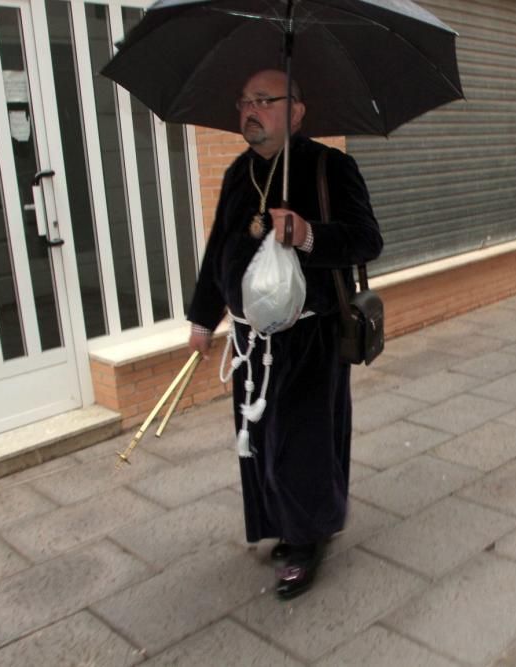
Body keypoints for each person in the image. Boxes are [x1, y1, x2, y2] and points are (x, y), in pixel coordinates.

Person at [187, 69, 383, 600]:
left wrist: (308, 233)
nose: (250, 110)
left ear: (296, 111)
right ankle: (282, 523)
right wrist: (204, 318)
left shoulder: (330, 167)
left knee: (303, 443)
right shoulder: (236, 173)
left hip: (310, 338)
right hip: (251, 341)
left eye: (263, 100)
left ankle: (307, 539)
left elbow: (368, 239)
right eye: (244, 101)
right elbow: (217, 252)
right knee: (261, 442)